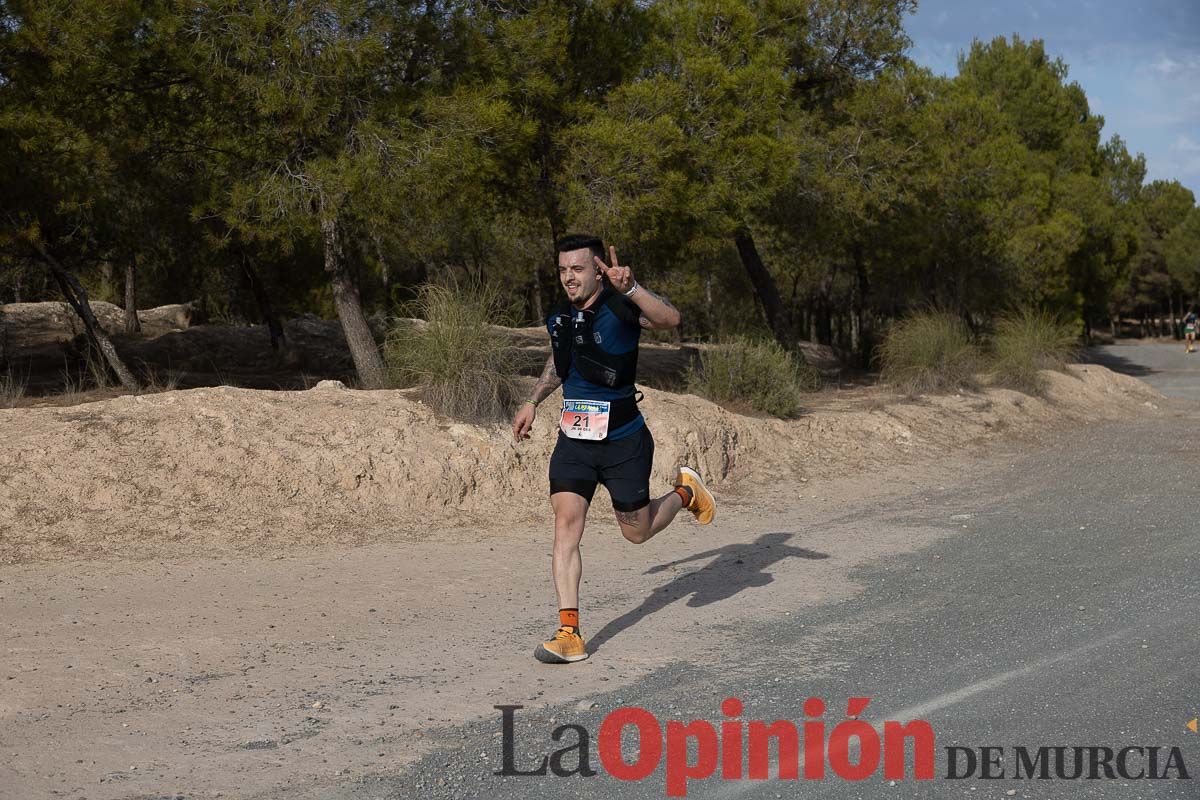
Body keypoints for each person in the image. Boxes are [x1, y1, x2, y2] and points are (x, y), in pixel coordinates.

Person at [511, 234, 716, 664]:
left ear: (597, 269)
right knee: (566, 522)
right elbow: (558, 362)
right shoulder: (560, 317)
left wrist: (634, 289)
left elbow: (671, 319)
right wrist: (533, 400)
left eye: (578, 269)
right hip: (575, 443)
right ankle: (570, 632)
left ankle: (685, 493)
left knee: (636, 532)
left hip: (624, 442)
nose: (569, 278)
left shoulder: (622, 306)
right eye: (563, 270)